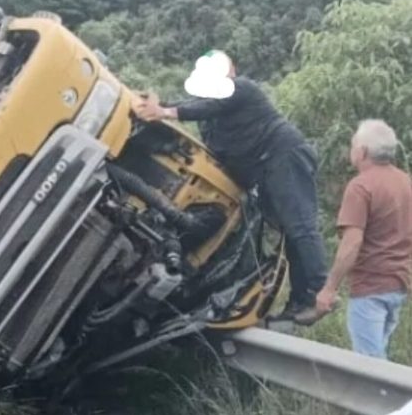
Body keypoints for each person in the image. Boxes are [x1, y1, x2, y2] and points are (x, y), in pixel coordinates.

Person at [132, 53, 329, 324]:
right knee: (290, 233)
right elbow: (190, 106)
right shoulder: (209, 115)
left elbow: (202, 106)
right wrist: (154, 106)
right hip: (263, 171)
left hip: (282, 155)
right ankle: (300, 302)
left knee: (300, 227)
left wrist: (166, 111)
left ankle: (321, 294)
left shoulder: (242, 89)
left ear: (231, 70)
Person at [315, 120, 411, 359]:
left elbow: (352, 243)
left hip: (370, 288)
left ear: (362, 151)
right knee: (380, 359)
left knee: (369, 365)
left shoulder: (360, 187)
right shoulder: (405, 181)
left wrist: (329, 288)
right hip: (399, 285)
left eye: (353, 145)